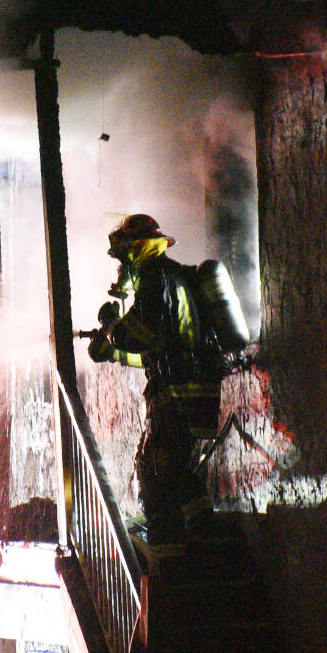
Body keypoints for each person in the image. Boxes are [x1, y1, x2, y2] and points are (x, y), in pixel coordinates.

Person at [87, 214, 225, 543]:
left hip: (177, 395)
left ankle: (182, 544)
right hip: (194, 390)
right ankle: (183, 539)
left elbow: (138, 334)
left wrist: (110, 324)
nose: (120, 267)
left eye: (122, 257)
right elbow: (154, 350)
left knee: (162, 469)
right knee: (162, 467)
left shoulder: (153, 279)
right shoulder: (176, 277)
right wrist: (111, 353)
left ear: (135, 252)